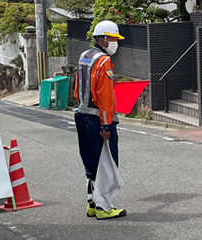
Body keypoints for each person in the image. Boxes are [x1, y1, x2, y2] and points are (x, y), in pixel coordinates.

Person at [73, 20, 127, 220]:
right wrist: (106, 124)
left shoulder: (84, 56)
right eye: (112, 38)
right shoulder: (104, 61)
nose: (115, 43)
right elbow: (105, 96)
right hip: (98, 119)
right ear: (102, 39)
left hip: (82, 114)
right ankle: (105, 207)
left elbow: (78, 89)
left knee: (91, 162)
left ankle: (92, 204)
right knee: (106, 163)